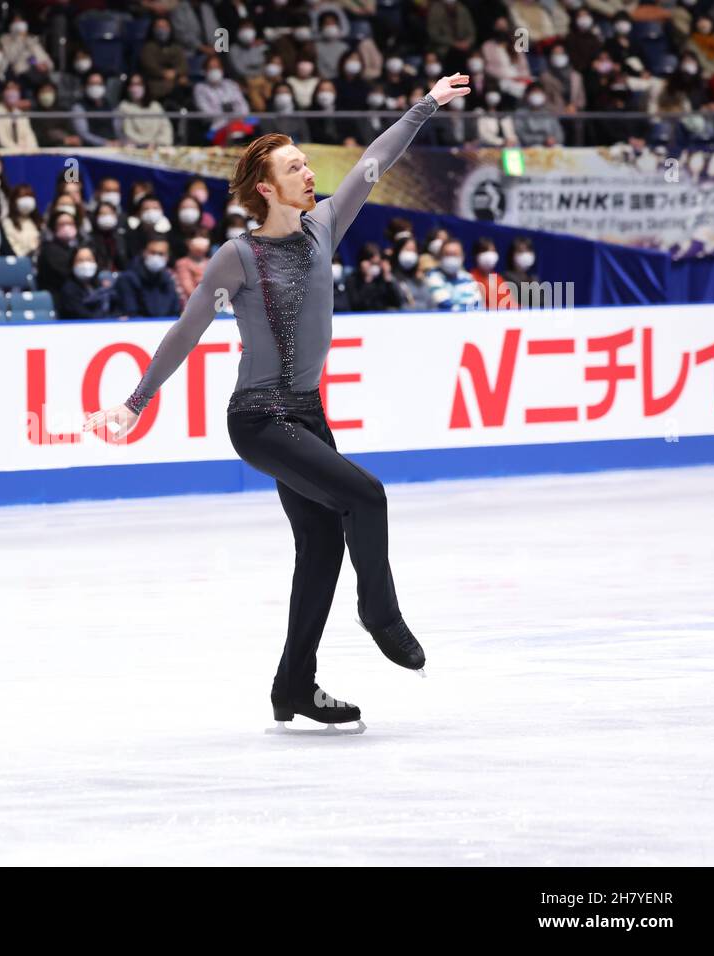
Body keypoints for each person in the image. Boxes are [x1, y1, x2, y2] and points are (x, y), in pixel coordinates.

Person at [83, 76, 470, 732]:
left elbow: (375, 161)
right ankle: (380, 615)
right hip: (260, 419)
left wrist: (425, 104)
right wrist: (136, 403)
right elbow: (186, 331)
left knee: (321, 545)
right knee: (367, 497)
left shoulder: (325, 227)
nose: (309, 173)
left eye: (306, 163)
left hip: (309, 415)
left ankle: (294, 686)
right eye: (294, 167)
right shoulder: (237, 258)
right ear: (266, 187)